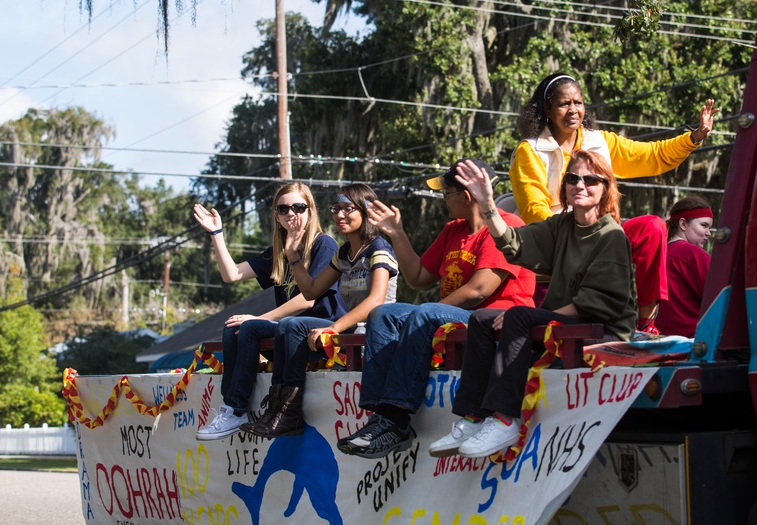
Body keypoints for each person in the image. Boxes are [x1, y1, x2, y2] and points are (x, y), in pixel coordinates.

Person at [429, 151, 636, 458]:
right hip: (566, 323)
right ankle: (473, 416)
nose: (580, 185)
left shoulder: (611, 235)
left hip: (603, 330)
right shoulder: (562, 226)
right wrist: (487, 204)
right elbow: (514, 243)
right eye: (572, 178)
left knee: (519, 316)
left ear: (605, 188)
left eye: (591, 179)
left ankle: (505, 418)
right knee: (483, 318)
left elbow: (597, 304)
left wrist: (536, 317)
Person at [336, 159, 537, 459]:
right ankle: (381, 416)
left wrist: (425, 313)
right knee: (383, 314)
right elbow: (417, 277)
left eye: (446, 192)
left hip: (491, 320)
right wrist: (398, 234)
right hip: (451, 316)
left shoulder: (507, 226)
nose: (443, 199)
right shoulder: (453, 230)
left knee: (423, 313)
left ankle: (397, 418)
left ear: (466, 195)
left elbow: (479, 290)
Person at [508, 73, 718, 332]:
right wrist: (576, 230)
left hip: (604, 236)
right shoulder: (530, 150)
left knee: (652, 227)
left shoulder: (599, 141)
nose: (573, 110)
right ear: (547, 110)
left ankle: (645, 324)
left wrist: (694, 137)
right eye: (564, 104)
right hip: (559, 240)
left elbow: (652, 156)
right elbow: (533, 209)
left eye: (579, 103)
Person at [239, 183, 400, 438]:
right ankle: (277, 408)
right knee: (286, 325)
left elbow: (375, 301)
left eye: (347, 209)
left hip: (374, 335)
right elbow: (312, 291)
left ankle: (288, 413)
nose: (339, 215)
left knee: (292, 325)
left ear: (367, 211)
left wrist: (333, 327)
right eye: (336, 209)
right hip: (348, 334)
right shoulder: (344, 252)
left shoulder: (379, 248)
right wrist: (293, 257)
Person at [194, 183, 342, 440]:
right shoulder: (279, 250)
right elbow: (231, 274)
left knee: (249, 326)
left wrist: (259, 318)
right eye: (283, 209)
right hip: (285, 331)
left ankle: (239, 406)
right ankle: (232, 409)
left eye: (298, 207)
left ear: (310, 210)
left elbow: (308, 300)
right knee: (234, 327)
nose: (291, 214)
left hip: (319, 328)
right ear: (276, 215)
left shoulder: (323, 244)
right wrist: (217, 234)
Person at [661, 195, 713, 338]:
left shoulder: (659, 253)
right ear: (683, 224)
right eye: (704, 225)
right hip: (692, 342)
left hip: (660, 340)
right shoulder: (693, 254)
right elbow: (716, 297)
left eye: (710, 227)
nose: (708, 233)